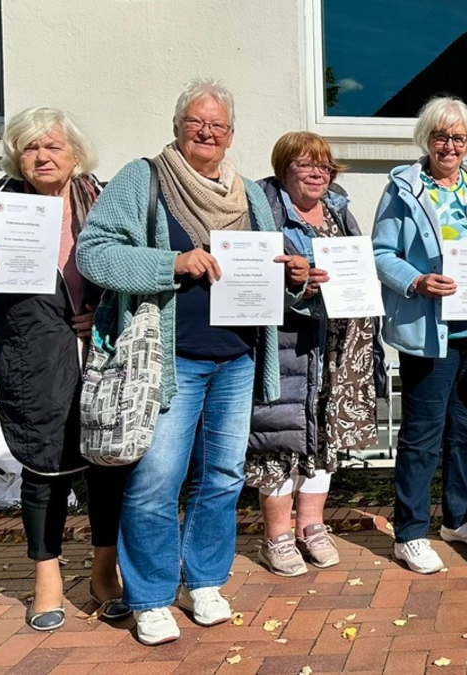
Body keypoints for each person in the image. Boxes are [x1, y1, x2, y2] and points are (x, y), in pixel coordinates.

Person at [77, 79, 309, 645]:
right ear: (178, 126)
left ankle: (204, 580)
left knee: (225, 475)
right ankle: (152, 595)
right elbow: (94, 251)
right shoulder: (145, 178)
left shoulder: (249, 194)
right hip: (170, 359)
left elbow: (263, 271)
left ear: (231, 134)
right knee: (158, 477)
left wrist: (296, 280)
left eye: (219, 125)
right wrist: (172, 262)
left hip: (237, 359)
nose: (208, 132)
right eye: (197, 122)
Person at [0, 107, 130, 631]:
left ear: (75, 154)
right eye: (30, 147)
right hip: (31, 352)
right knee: (43, 468)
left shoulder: (106, 199)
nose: (42, 157)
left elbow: (135, 264)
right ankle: (46, 575)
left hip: (101, 350)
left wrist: (109, 309)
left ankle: (104, 570)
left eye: (53, 147)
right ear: (16, 156)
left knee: (108, 465)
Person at [373, 96, 467, 574]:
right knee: (423, 434)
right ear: (426, 139)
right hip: (430, 329)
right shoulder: (404, 189)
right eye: (440, 136)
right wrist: (416, 280)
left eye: (458, 137)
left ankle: (456, 518)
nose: (449, 145)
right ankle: (409, 532)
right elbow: (381, 252)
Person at [245, 132, 378, 576]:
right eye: (305, 163)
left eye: (323, 164)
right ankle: (277, 537)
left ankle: (312, 527)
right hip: (291, 344)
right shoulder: (264, 213)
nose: (318, 172)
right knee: (280, 437)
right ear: (284, 168)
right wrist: (298, 285)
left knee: (323, 437)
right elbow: (255, 280)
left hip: (340, 344)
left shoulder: (339, 210)